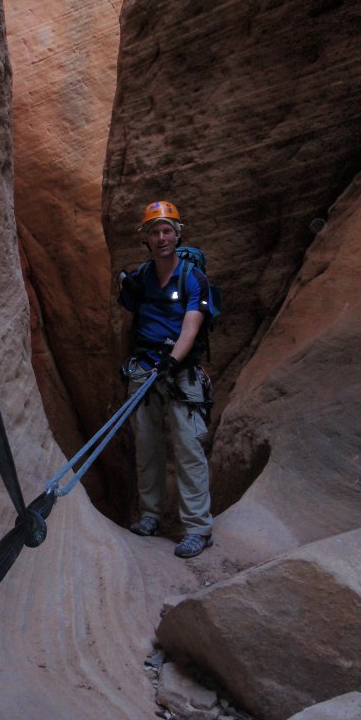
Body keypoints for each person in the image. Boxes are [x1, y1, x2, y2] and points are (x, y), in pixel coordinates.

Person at [118, 200, 214, 558]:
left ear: (178, 234)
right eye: (154, 232)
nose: (161, 238)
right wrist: (125, 366)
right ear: (146, 238)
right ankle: (150, 516)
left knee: (188, 447)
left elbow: (191, 326)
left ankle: (198, 528)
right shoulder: (138, 280)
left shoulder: (193, 278)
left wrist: (172, 362)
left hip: (181, 372)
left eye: (166, 231)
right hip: (144, 369)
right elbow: (127, 326)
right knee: (147, 446)